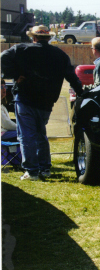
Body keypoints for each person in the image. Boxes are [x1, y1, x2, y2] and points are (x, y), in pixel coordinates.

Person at [1, 25, 84, 181]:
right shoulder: (60, 54)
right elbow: (72, 77)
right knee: (41, 134)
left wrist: (14, 74)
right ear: (49, 38)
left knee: (26, 135)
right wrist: (82, 93)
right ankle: (45, 168)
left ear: (34, 37)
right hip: (46, 102)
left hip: (25, 98)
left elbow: (3, 57)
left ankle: (32, 171)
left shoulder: (21, 49)